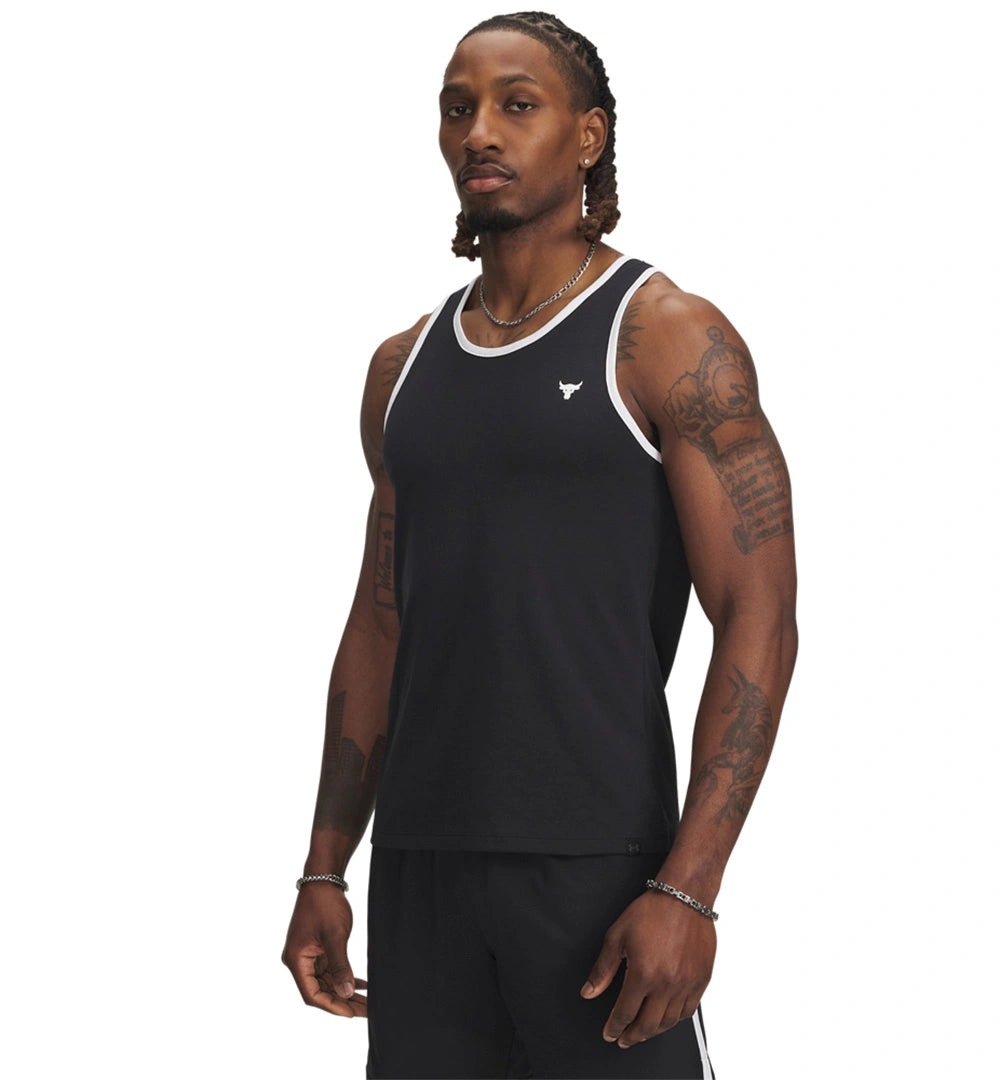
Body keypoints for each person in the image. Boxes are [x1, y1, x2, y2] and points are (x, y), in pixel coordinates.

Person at [282, 11, 798, 1079]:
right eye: (458, 107)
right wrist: (326, 868)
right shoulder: (401, 367)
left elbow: (759, 615)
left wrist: (690, 886)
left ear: (589, 135)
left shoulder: (666, 335)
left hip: (601, 874)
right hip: (420, 873)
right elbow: (380, 622)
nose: (480, 130)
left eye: (517, 105)